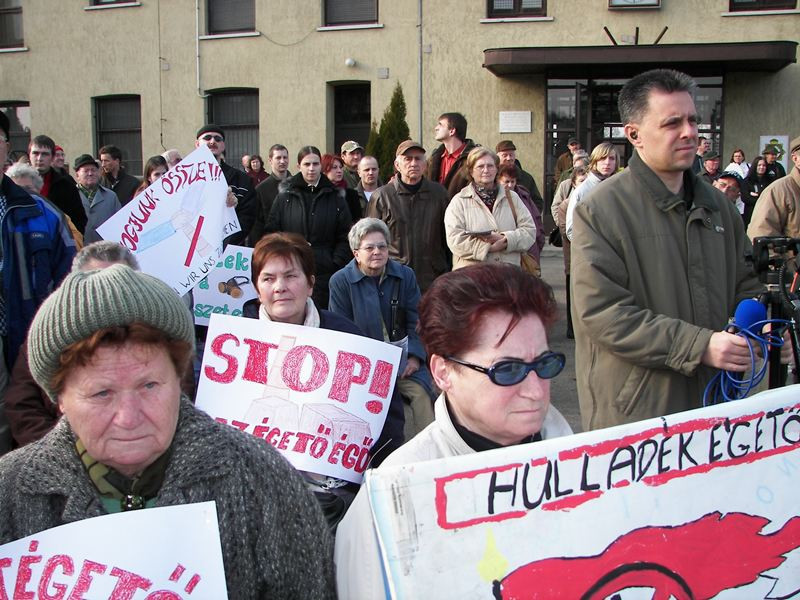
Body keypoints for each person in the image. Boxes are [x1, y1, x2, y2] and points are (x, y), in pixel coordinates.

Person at [0, 264, 335, 597]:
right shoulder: (9, 494)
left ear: (178, 380)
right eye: (102, 393)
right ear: (59, 398)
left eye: (149, 386)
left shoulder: (262, 477)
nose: (128, 418)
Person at [335, 263, 573, 598]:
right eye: (507, 370)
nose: (536, 391)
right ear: (444, 373)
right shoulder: (392, 498)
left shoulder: (588, 460)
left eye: (545, 364)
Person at [570, 68, 764, 431]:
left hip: (719, 401)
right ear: (634, 135)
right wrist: (700, 346)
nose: (689, 132)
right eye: (672, 122)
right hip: (640, 415)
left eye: (692, 120)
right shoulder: (601, 211)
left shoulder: (718, 206)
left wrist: (762, 332)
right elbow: (603, 314)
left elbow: (746, 284)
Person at [242, 232, 405, 524]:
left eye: (291, 276)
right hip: (258, 499)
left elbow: (386, 416)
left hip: (335, 499)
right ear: (256, 288)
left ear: (310, 283)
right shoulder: (237, 343)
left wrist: (372, 479)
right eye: (268, 279)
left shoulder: (346, 336)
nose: (280, 287)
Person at [5, 241, 142, 449]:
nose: (106, 292)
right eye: (95, 281)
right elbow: (22, 404)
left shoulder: (160, 338)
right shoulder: (47, 335)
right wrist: (64, 452)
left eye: (117, 281)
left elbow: (177, 394)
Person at [329, 218, 436, 440]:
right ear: (356, 253)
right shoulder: (340, 282)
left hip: (404, 361)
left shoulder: (405, 275)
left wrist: (415, 358)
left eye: (382, 246)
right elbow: (342, 332)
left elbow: (417, 319)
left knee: (422, 396)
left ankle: (430, 452)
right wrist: (370, 368)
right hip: (364, 367)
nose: (377, 252)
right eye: (369, 247)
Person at [265, 146, 352, 309]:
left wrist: (335, 262)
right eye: (307, 164)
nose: (311, 169)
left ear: (321, 166)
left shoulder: (335, 195)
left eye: (315, 164)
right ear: (299, 166)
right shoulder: (285, 195)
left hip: (325, 273)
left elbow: (345, 234)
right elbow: (272, 231)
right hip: (291, 267)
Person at [366, 140, 450, 292]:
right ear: (397, 165)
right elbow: (370, 240)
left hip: (433, 279)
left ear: (425, 165)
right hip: (394, 279)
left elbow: (448, 239)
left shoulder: (439, 194)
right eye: (408, 159)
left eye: (418, 159)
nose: (413, 163)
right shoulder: (382, 196)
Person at [445, 147, 535, 270]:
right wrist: (488, 248)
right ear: (471, 171)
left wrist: (506, 239)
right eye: (480, 166)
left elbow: (529, 231)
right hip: (471, 278)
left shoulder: (512, 198)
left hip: (508, 275)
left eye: (490, 166)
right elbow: (455, 240)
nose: (486, 170)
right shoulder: (459, 201)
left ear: (497, 169)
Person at [195, 124, 256, 246]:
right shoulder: (185, 179)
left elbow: (248, 216)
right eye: (207, 138)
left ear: (223, 146)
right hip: (194, 249)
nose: (213, 141)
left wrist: (225, 241)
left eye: (218, 139)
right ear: (197, 144)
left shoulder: (242, 180)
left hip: (229, 250)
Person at [551, 162, 588, 340]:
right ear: (573, 183)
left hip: (591, 258)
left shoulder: (596, 200)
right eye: (581, 181)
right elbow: (566, 230)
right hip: (573, 258)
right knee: (573, 293)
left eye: (587, 181)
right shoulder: (566, 204)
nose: (584, 184)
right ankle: (572, 328)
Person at [29, 134, 87, 234]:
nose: (39, 158)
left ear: (52, 158)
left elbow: (79, 220)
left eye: (45, 154)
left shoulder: (66, 186)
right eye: (35, 153)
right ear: (29, 155)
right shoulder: (17, 184)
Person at [747, 135, 800, 241]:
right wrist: (788, 257)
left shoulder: (778, 167)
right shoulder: (778, 191)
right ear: (795, 158)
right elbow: (762, 236)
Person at [564, 142, 620, 241]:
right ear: (595, 161)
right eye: (602, 158)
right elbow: (571, 230)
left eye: (611, 158)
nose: (607, 162)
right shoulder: (582, 192)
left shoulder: (621, 188)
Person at [498, 163, 545, 273]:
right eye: (506, 181)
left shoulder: (524, 196)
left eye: (512, 181)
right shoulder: (496, 198)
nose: (510, 185)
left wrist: (539, 243)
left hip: (527, 248)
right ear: (498, 180)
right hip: (505, 249)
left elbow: (536, 220)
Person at [74, 154, 122, 244]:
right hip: (78, 250)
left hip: (105, 250)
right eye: (86, 171)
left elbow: (120, 224)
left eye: (93, 170)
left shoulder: (111, 197)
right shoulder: (69, 196)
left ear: (99, 172)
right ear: (77, 175)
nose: (90, 173)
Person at [427, 112, 477, 196]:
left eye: (440, 125)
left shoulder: (473, 158)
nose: (436, 128)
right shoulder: (434, 157)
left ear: (452, 131)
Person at [251, 144, 291, 243]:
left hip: (294, 243)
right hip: (272, 245)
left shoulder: (297, 185)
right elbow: (257, 225)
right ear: (270, 161)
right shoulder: (261, 189)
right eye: (278, 158)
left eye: (285, 157)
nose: (282, 161)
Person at [495, 140, 544, 214]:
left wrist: (529, 217)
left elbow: (537, 202)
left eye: (511, 155)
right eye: (504, 155)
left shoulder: (526, 178)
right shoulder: (491, 176)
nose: (509, 158)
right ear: (497, 157)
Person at [321, 153, 363, 223]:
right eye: (334, 167)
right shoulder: (318, 194)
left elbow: (357, 222)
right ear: (324, 170)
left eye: (340, 167)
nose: (339, 171)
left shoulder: (352, 194)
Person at [742, 155, 770, 227]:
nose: (761, 167)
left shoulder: (769, 181)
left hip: (765, 214)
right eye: (759, 165)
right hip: (750, 214)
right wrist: (761, 197)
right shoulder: (747, 181)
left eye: (764, 165)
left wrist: (757, 195)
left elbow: (770, 197)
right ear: (755, 166)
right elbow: (745, 198)